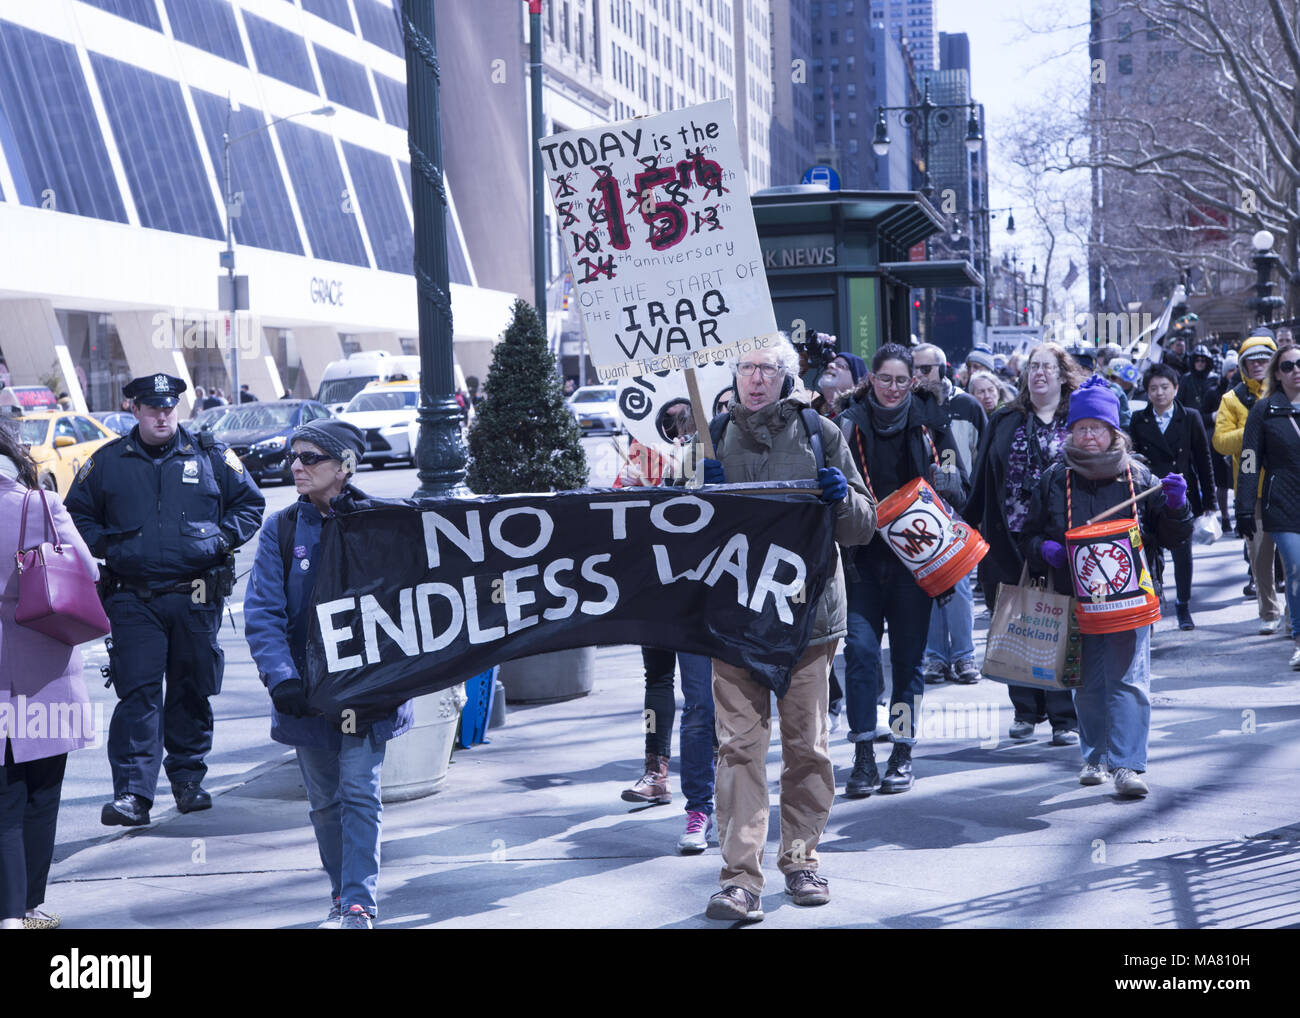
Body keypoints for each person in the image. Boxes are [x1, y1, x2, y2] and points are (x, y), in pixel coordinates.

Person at [695, 336, 875, 922]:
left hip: (808, 619)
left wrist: (841, 497)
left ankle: (800, 860)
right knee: (739, 749)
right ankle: (739, 879)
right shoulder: (712, 436)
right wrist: (699, 495)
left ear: (785, 375)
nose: (752, 378)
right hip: (736, 620)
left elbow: (863, 527)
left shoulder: (823, 434)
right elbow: (679, 535)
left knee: (807, 748)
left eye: (764, 368)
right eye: (744, 368)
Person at [65, 373, 265, 827]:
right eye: (152, 407)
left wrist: (218, 540)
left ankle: (189, 780)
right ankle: (134, 795)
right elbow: (75, 514)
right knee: (138, 694)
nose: (162, 415)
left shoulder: (210, 455)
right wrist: (110, 548)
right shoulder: (108, 462)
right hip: (133, 598)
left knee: (191, 688)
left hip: (195, 596)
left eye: (169, 407)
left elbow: (250, 506)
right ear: (132, 409)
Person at [244, 419, 411, 929]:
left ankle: (359, 903)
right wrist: (282, 678)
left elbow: (411, 604)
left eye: (310, 457)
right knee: (324, 802)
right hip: (307, 694)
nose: (296, 466)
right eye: (293, 457)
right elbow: (263, 611)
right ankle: (341, 895)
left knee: (360, 791)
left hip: (368, 689)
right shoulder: (282, 529)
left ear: (344, 466)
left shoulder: (384, 522)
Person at [1022, 376, 1192, 797]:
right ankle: (1095, 755)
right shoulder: (1053, 478)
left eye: (1097, 427)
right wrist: (1044, 548)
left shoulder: (1138, 476)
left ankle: (1128, 765)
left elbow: (1172, 536)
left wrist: (1176, 504)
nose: (1089, 435)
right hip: (1076, 599)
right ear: (1070, 431)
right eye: (1081, 427)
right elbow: (1026, 534)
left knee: (1129, 679)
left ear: (1115, 431)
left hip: (1130, 599)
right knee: (1088, 684)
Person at [837, 344, 967, 794]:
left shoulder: (932, 420)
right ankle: (863, 754)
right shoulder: (848, 423)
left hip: (916, 562)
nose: (892, 388)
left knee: (909, 661)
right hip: (862, 561)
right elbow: (829, 488)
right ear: (871, 379)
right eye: (884, 379)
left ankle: (902, 752)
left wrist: (946, 480)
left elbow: (958, 482)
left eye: (901, 380)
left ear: (913, 381)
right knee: (861, 655)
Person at [1, 420, 98, 930]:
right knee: (42, 792)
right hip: (46, 668)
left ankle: (9, 914)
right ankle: (29, 908)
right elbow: (88, 572)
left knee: (5, 797)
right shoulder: (40, 504)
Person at [968, 342, 1085, 744]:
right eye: (1033, 367)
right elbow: (983, 478)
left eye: (1047, 368)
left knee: (1057, 621)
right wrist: (965, 526)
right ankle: (1024, 709)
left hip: (1058, 539)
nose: (1039, 373)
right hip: (1009, 537)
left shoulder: (1078, 418)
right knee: (1016, 620)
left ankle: (1063, 717)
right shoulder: (1005, 419)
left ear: (1062, 374)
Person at [612, 415, 717, 855]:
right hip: (654, 588)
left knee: (700, 701)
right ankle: (656, 770)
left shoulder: (718, 445)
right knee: (657, 681)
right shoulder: (639, 451)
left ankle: (704, 802)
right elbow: (615, 509)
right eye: (672, 417)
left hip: (701, 593)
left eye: (687, 414)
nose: (680, 424)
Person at [910, 343, 986, 685]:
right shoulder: (910, 405)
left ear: (944, 370)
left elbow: (983, 457)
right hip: (920, 510)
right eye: (915, 369)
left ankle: (964, 656)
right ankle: (936, 657)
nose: (919, 376)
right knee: (930, 583)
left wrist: (977, 503)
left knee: (958, 584)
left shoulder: (967, 406)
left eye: (926, 369)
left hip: (960, 506)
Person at [1129, 364, 1215, 630]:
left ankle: (1183, 605)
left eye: (1164, 387)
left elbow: (1203, 460)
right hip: (1149, 497)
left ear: (1175, 388)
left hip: (1181, 496)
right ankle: (1150, 606)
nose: (1159, 393)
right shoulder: (1138, 420)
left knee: (1182, 553)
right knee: (1147, 554)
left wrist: (1211, 504)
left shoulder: (1190, 417)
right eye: (1153, 388)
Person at [1214, 331, 1285, 632]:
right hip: (1252, 489)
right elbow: (1220, 441)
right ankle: (1269, 612)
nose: (1257, 365)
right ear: (1242, 365)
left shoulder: (1289, 394)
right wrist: (1255, 429)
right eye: (1250, 360)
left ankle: (1293, 615)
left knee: (1292, 555)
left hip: (1287, 487)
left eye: (1263, 359)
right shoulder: (1231, 399)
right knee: (1259, 556)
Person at [1237, 343, 1300, 668]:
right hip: (1282, 503)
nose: (1296, 370)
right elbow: (1249, 461)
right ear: (1277, 373)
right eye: (1288, 366)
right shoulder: (1264, 410)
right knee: (1296, 568)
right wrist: (1244, 507)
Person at [812, 351, 867, 418]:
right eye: (832, 363)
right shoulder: (809, 407)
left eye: (839, 365)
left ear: (855, 381)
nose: (830, 365)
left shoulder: (859, 414)